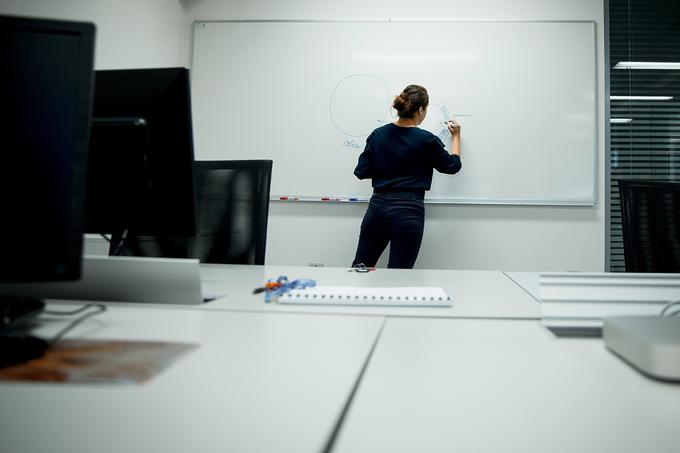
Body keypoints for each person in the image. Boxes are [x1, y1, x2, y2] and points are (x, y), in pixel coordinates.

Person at [351, 84, 462, 269]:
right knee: (399, 274)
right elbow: (453, 166)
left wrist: (387, 166)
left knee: (360, 268)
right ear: (420, 109)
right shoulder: (426, 139)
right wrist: (456, 136)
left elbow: (361, 171)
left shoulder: (378, 135)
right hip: (408, 210)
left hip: (377, 207)